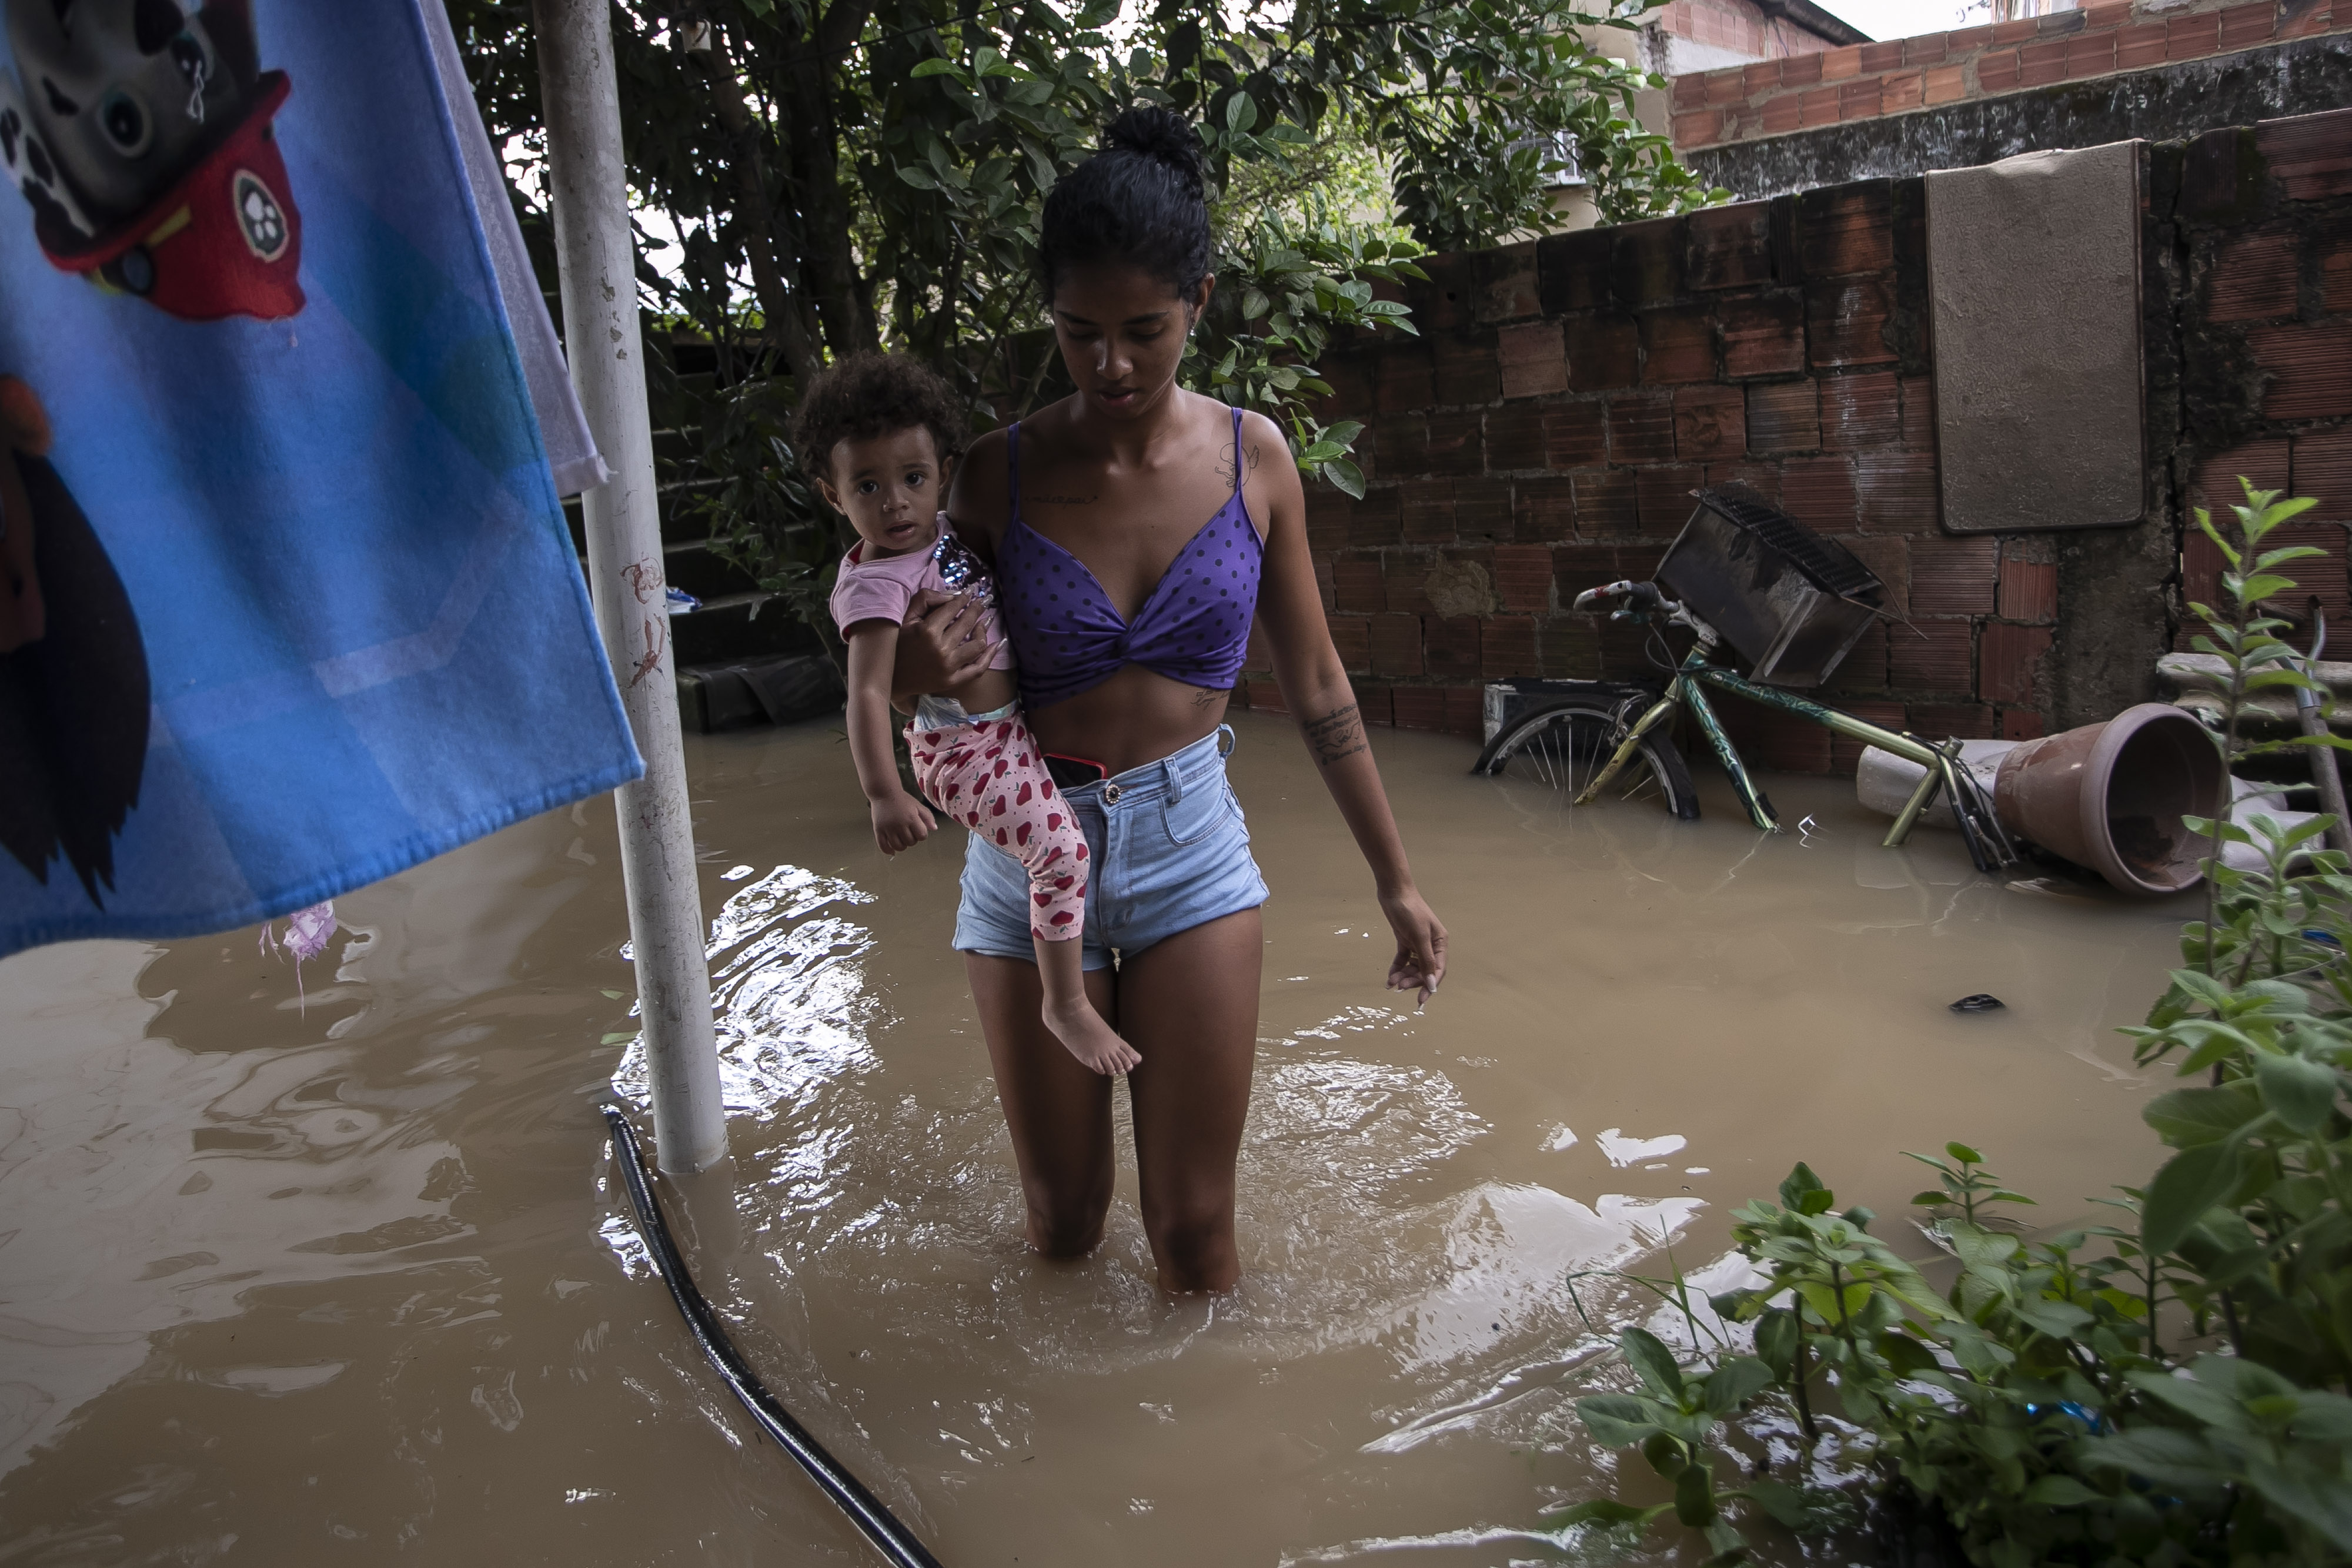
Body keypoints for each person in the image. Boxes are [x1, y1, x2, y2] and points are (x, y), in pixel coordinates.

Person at [894, 107, 1448, 1294]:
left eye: (1143, 331)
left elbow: (1313, 681)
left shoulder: (1257, 460)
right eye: (1076, 333)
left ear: (1197, 299)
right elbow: (913, 685)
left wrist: (1393, 878)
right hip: (1026, 851)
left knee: (1194, 1238)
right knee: (1061, 1226)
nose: (1111, 367)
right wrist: (913, 664)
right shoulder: (994, 475)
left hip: (1189, 843)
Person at [807, 352, 1141, 1076]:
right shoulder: (874, 585)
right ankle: (1065, 1004)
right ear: (834, 497)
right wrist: (884, 793)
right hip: (963, 750)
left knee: (1056, 847)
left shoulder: (945, 534)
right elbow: (866, 693)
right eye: (868, 486)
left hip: (1007, 730)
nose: (894, 502)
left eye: (912, 479)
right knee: (1060, 852)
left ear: (943, 474)